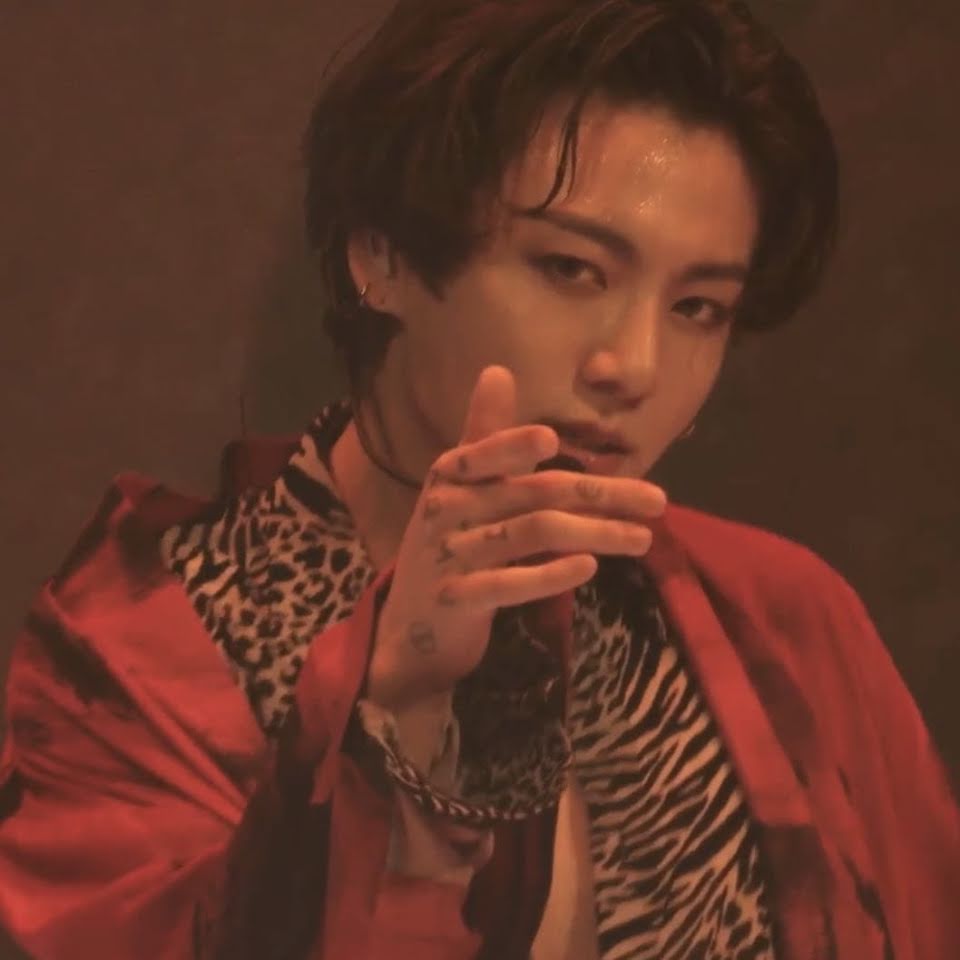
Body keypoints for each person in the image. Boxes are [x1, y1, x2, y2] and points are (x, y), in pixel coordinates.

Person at [1, 0, 957, 957]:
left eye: (699, 307)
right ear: (381, 253)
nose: (635, 364)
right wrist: (394, 717)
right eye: (572, 269)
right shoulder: (145, 651)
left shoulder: (782, 624)